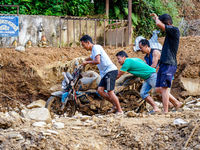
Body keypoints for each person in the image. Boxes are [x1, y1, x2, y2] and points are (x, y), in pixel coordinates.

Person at [80, 35, 123, 114]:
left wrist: (86, 62)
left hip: (110, 71)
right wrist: (82, 63)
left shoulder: (96, 47)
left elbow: (97, 61)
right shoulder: (93, 51)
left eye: (83, 45)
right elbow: (90, 58)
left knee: (110, 91)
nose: (83, 47)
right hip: (105, 73)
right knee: (100, 91)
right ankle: (114, 104)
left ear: (88, 42)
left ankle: (120, 110)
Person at [150, 13, 184, 113]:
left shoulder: (174, 30)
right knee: (158, 89)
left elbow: (158, 24)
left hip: (170, 63)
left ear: (167, 23)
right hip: (164, 63)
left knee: (164, 89)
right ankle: (177, 103)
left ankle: (166, 112)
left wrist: (156, 18)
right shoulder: (169, 35)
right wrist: (160, 64)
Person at [139, 39, 174, 108]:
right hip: (157, 77)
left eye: (141, 48)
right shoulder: (146, 57)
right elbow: (143, 67)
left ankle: (175, 104)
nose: (140, 50)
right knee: (156, 94)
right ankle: (171, 105)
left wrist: (144, 73)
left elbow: (154, 66)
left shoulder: (155, 52)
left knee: (164, 92)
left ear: (146, 46)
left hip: (165, 74)